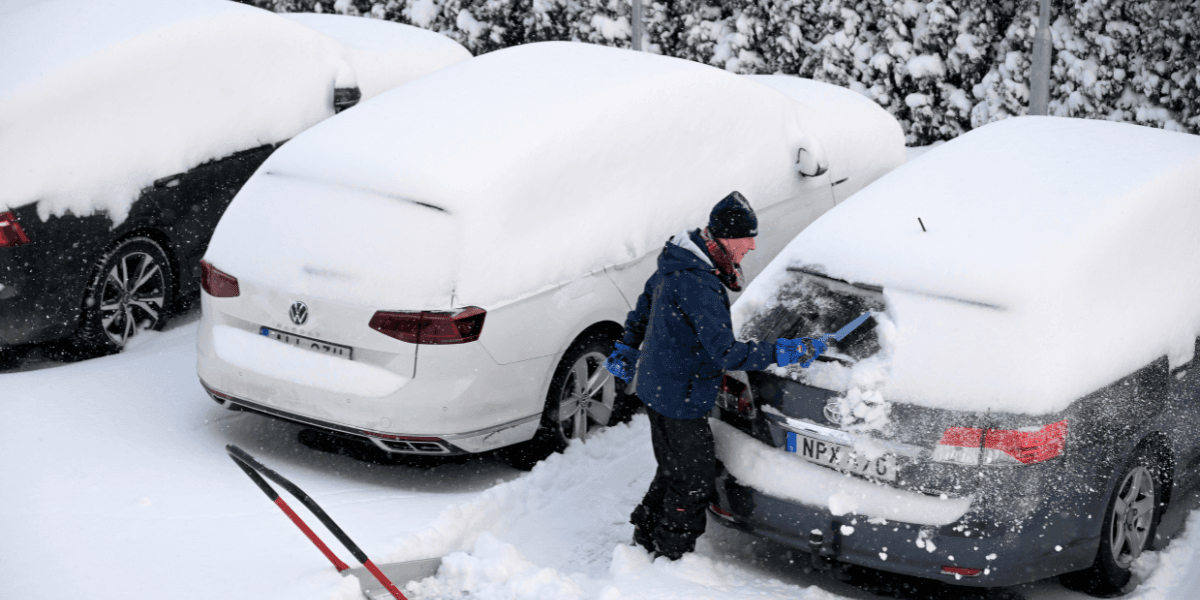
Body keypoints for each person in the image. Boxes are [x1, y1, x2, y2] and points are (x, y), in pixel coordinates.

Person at [605, 191, 812, 561]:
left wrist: (627, 348)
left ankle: (645, 534)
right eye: (746, 238)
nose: (750, 246)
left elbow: (643, 307)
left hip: (658, 384)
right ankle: (670, 556)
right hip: (679, 394)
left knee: (674, 468)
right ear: (724, 237)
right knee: (694, 479)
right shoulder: (699, 283)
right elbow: (726, 353)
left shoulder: (678, 261)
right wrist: (784, 351)